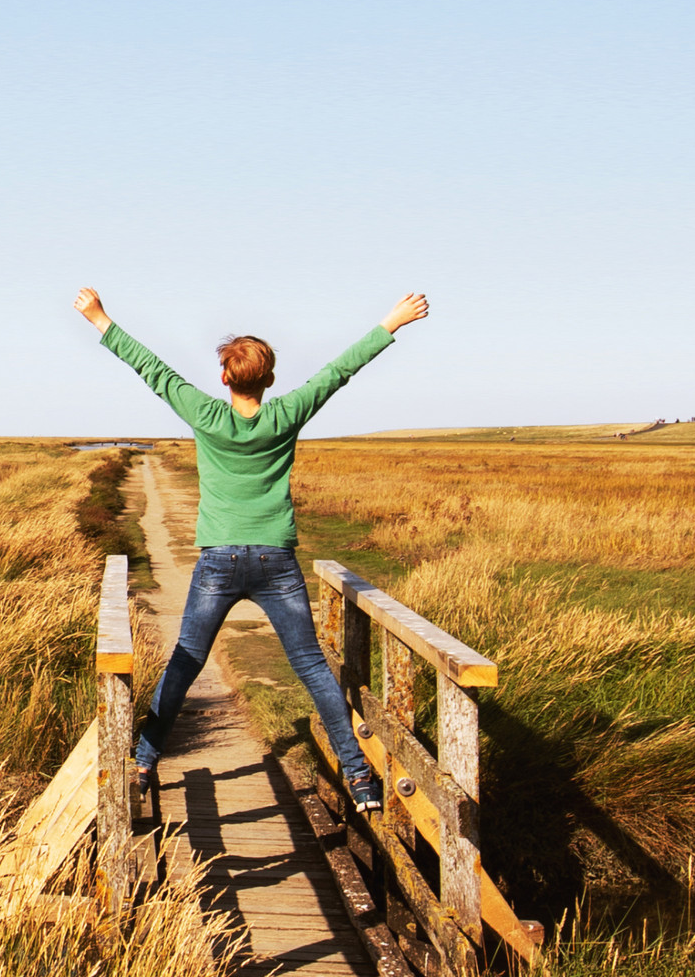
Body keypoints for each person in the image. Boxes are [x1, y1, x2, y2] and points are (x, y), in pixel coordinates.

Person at [73, 287, 430, 813]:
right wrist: (390, 324)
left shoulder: (206, 415)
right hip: (275, 562)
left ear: (224, 377)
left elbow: (152, 370)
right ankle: (358, 777)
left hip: (218, 560)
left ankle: (145, 762)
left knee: (185, 662)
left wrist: (100, 319)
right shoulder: (285, 414)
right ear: (269, 379)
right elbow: (337, 372)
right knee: (310, 667)